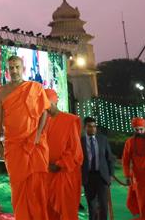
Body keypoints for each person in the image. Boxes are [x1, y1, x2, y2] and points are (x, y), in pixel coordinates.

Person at [0, 54, 51, 220]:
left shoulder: (35, 87)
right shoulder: (1, 92)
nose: (14, 70)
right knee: (17, 188)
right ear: (7, 70)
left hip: (35, 146)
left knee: (37, 188)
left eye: (17, 67)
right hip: (14, 146)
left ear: (23, 68)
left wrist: (37, 136)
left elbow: (44, 113)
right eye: (11, 67)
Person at [44, 88, 83, 220]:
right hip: (48, 175)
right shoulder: (45, 122)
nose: (46, 108)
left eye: (47, 104)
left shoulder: (70, 120)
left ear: (54, 102)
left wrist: (59, 164)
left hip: (65, 175)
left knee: (66, 212)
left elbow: (75, 151)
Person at [81, 116, 115, 220]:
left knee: (103, 205)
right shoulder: (80, 141)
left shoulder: (102, 139)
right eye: (90, 126)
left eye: (94, 126)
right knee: (92, 206)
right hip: (88, 177)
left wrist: (111, 174)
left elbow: (109, 157)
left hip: (102, 176)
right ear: (84, 127)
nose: (93, 129)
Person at [123, 117, 145, 219]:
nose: (139, 132)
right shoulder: (129, 142)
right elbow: (125, 161)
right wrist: (127, 176)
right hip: (138, 178)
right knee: (142, 201)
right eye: (137, 130)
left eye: (141, 129)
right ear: (134, 130)